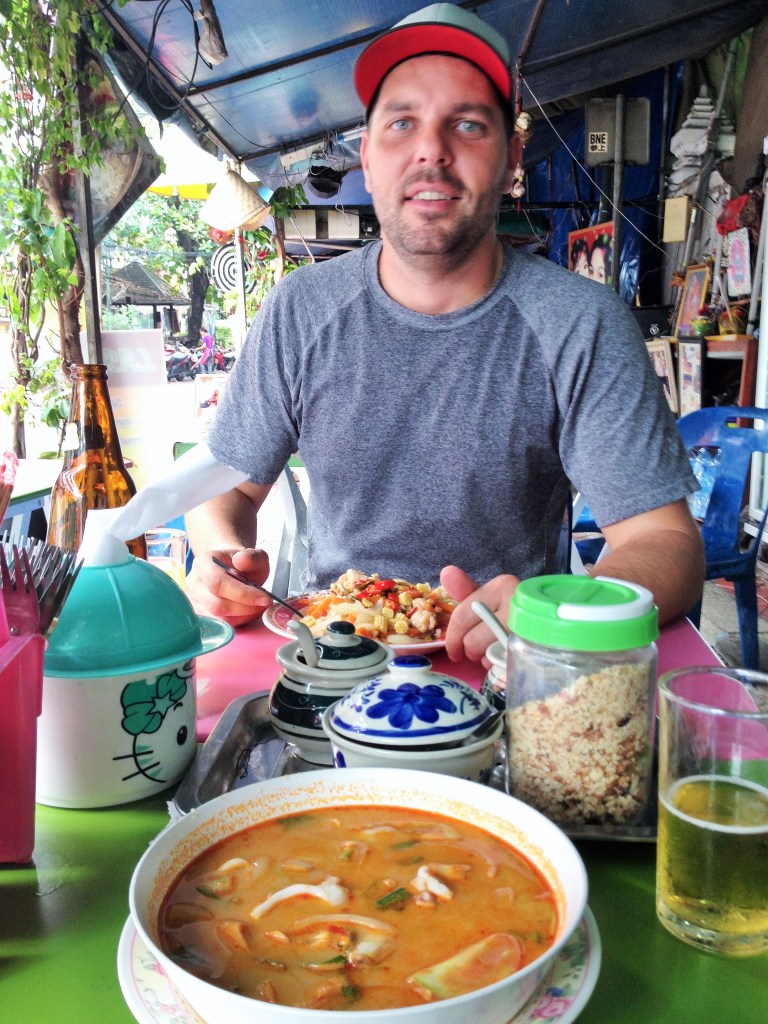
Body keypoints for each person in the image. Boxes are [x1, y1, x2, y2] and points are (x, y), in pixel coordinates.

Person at [185, 3, 704, 662]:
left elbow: (666, 542)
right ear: (367, 158)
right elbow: (223, 491)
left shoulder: (581, 322)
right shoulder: (300, 311)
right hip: (334, 658)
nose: (432, 149)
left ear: (514, 157)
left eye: (467, 123)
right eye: (402, 123)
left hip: (514, 665)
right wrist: (221, 558)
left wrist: (559, 613)